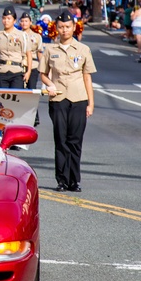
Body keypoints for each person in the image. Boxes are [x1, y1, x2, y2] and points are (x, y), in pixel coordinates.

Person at [39, 10, 97, 192]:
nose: (64, 30)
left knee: (75, 140)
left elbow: (87, 77)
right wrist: (50, 84)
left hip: (78, 98)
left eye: (68, 26)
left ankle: (74, 180)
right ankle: (62, 180)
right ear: (56, 28)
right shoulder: (50, 50)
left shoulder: (83, 49)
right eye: (61, 27)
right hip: (58, 98)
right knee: (61, 139)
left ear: (74, 27)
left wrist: (91, 103)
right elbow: (43, 74)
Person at [0, 6, 29, 89]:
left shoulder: (22, 35)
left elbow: (27, 53)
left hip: (17, 71)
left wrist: (28, 71)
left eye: (9, 18)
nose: (6, 21)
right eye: (4, 18)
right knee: (3, 96)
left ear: (14, 20)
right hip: (1, 70)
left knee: (16, 96)